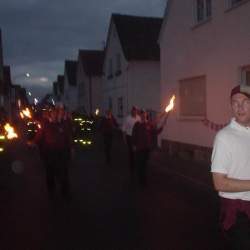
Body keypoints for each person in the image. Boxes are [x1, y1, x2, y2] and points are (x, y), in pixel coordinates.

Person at [211, 85, 250, 249]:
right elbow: (219, 183)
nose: (240, 107)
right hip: (238, 211)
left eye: (245, 102)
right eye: (235, 102)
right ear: (230, 106)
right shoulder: (224, 137)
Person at [33, 103, 73, 200]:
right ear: (51, 114)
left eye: (57, 113)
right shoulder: (45, 124)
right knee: (50, 172)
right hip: (49, 153)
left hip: (62, 152)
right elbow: (39, 135)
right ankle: (51, 190)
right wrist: (33, 142)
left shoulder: (63, 124)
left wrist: (71, 148)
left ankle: (65, 191)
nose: (56, 115)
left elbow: (68, 137)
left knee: (63, 172)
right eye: (54, 113)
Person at [132, 109, 167, 187]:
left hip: (146, 148)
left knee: (144, 164)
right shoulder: (137, 125)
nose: (143, 116)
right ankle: (140, 180)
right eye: (142, 115)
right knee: (140, 164)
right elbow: (134, 135)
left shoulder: (149, 124)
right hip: (139, 148)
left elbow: (155, 132)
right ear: (140, 116)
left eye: (144, 115)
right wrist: (134, 145)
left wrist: (162, 127)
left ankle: (143, 180)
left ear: (146, 115)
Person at [122, 106, 141, 175]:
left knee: (137, 151)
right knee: (131, 152)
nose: (135, 112)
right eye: (133, 111)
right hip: (129, 137)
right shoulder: (127, 118)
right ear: (131, 111)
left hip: (137, 137)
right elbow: (124, 129)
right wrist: (124, 139)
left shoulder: (139, 118)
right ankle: (132, 166)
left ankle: (136, 164)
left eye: (136, 111)